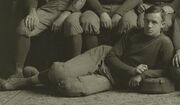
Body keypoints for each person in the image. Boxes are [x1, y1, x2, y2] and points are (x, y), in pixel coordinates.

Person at [0, 6, 174, 96]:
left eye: (154, 22)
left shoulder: (165, 43)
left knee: (69, 87)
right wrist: (132, 71)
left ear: (163, 25)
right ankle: (27, 81)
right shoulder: (133, 32)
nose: (149, 26)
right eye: (147, 21)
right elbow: (112, 55)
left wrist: (141, 75)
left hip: (113, 78)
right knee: (60, 71)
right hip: (102, 56)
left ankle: (41, 75)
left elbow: (164, 70)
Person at [12, 0, 86, 78]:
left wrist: (63, 16)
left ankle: (74, 72)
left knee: (72, 26)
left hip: (71, 9)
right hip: (49, 8)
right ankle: (18, 73)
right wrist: (32, 11)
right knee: (23, 27)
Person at [62, 0, 142, 58]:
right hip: (96, 6)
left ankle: (120, 61)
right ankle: (92, 60)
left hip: (124, 6)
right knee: (89, 21)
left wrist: (119, 13)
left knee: (129, 23)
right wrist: (101, 13)